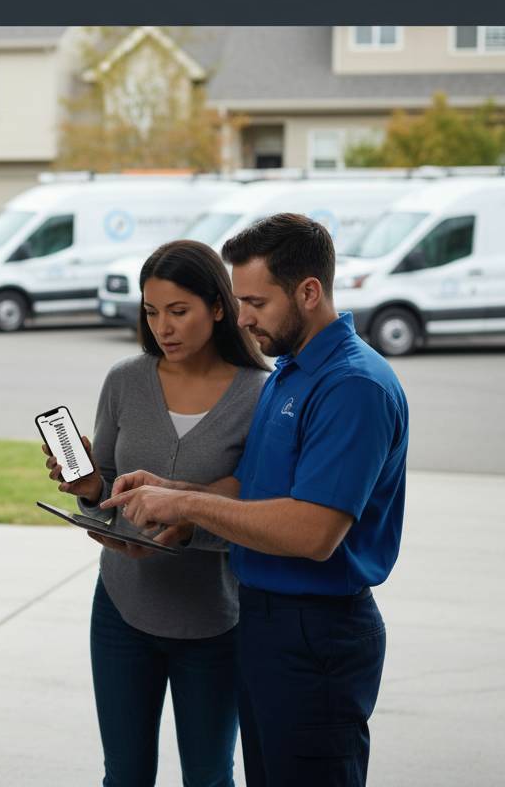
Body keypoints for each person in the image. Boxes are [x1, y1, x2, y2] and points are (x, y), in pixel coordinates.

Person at [102, 214, 408, 787]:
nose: (240, 317)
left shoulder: (353, 387)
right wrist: (170, 492)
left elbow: (313, 532)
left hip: (316, 632)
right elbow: (251, 490)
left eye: (255, 302)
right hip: (263, 621)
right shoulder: (293, 373)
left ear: (309, 292)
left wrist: (187, 509)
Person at [42, 240, 269, 787]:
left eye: (177, 311)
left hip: (214, 620)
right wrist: (89, 486)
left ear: (218, 307)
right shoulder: (125, 380)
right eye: (150, 312)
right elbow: (105, 491)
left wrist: (188, 523)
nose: (162, 327)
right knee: (123, 776)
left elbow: (255, 515)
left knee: (210, 778)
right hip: (122, 609)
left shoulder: (261, 395)